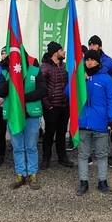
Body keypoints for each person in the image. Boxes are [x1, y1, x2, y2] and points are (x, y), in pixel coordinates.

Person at [0, 51, 48, 190]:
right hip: (14, 116)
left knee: (31, 146)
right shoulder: (5, 73)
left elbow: (43, 90)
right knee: (18, 147)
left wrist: (23, 97)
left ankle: (32, 174)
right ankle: (20, 173)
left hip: (31, 115)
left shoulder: (35, 71)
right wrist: (12, 79)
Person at [74, 50, 112, 195]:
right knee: (83, 154)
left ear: (98, 62)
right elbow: (69, 93)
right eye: (87, 60)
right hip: (83, 122)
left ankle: (102, 181)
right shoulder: (80, 77)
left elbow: (111, 100)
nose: (89, 62)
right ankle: (83, 182)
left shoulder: (106, 79)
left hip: (100, 123)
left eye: (92, 60)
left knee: (102, 154)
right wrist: (81, 81)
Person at [40, 41, 74, 169]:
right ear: (55, 53)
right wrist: (47, 105)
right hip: (51, 107)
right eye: (61, 50)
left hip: (64, 106)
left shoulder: (65, 66)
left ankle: (62, 157)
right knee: (49, 132)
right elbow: (41, 88)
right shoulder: (44, 67)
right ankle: (46, 158)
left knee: (61, 132)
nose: (64, 52)